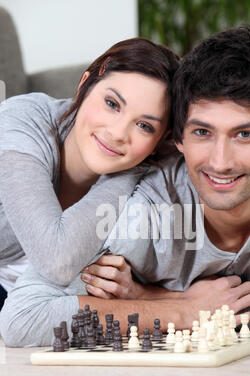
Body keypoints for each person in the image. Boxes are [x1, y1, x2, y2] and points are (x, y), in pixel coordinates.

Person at [1, 26, 250, 347]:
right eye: (202, 132)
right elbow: (34, 303)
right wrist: (180, 311)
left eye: (244, 135)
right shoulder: (22, 125)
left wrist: (154, 296)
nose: (221, 161)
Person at [0, 37, 179, 310]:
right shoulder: (20, 122)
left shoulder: (155, 172)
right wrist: (132, 171)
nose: (118, 133)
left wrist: (139, 291)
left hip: (33, 298)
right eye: (112, 104)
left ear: (161, 139)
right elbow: (57, 262)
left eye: (144, 125)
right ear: (84, 84)